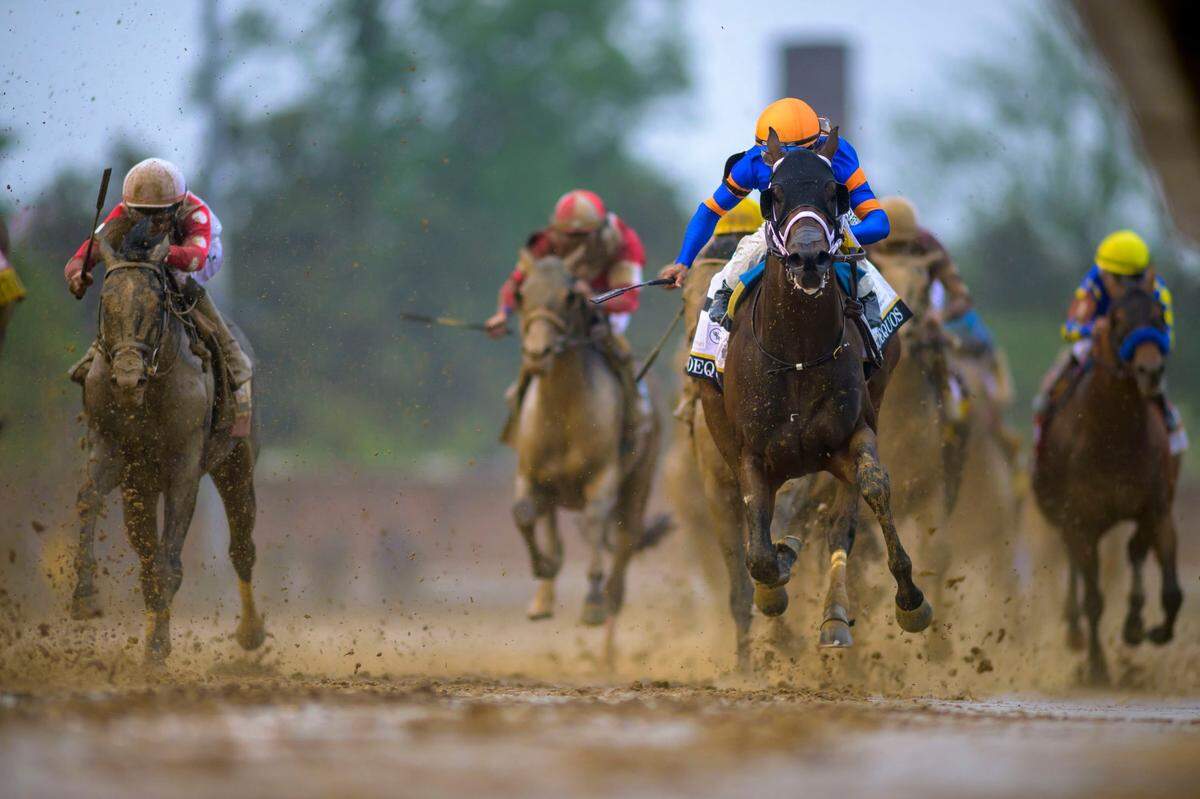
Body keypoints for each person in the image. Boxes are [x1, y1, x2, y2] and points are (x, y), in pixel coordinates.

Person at [658, 97, 890, 327]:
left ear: (817, 146)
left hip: (833, 227)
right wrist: (683, 262)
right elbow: (710, 211)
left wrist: (835, 236)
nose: (785, 164)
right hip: (777, 232)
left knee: (866, 278)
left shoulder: (839, 154)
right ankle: (710, 354)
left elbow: (879, 223)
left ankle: (870, 308)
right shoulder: (752, 163)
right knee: (722, 280)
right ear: (766, 149)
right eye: (776, 157)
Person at [64, 158, 253, 432]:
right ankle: (101, 350)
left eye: (159, 214)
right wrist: (77, 277)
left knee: (179, 281)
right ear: (129, 208)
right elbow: (83, 255)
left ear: (177, 207)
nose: (149, 220)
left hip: (199, 254)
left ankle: (234, 360)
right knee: (129, 285)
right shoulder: (122, 214)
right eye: (140, 213)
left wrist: (165, 253)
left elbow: (196, 259)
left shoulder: (195, 213)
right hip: (156, 255)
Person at [487, 189, 646, 445]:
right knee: (537, 348)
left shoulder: (623, 242)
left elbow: (629, 298)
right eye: (567, 235)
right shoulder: (546, 242)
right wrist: (502, 314)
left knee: (617, 348)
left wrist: (592, 298)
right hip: (561, 309)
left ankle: (633, 412)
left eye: (581, 236)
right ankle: (517, 417)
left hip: (606, 307)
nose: (572, 241)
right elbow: (515, 285)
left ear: (598, 229)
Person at [1033, 229, 1184, 450]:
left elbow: (1168, 338)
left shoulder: (1157, 290)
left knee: (1170, 415)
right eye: (1120, 279)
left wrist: (1146, 344)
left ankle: (1170, 446)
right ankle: (1038, 455)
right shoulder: (1093, 284)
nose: (1129, 286)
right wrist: (1094, 328)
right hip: (1096, 344)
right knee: (1045, 397)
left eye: (1135, 278)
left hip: (1137, 351)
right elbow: (1068, 330)